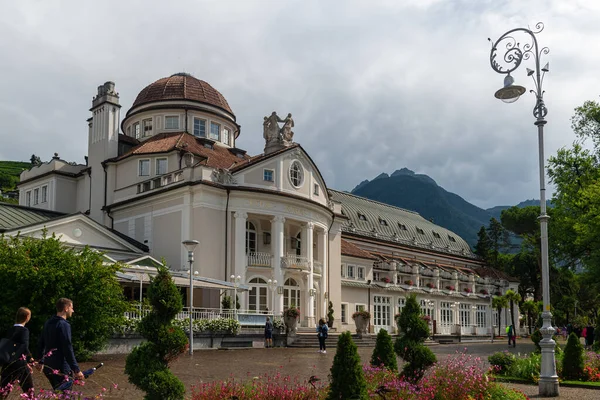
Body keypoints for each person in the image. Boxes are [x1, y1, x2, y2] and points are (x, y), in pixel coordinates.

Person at [38, 298, 84, 390]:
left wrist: (41, 360)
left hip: (48, 366)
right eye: (72, 308)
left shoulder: (48, 323)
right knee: (65, 394)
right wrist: (76, 369)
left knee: (58, 393)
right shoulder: (63, 325)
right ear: (66, 308)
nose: (73, 311)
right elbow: (67, 347)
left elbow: (40, 343)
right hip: (61, 366)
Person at [0, 307, 34, 396]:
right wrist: (30, 360)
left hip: (7, 364)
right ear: (27, 317)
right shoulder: (24, 331)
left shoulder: (10, 330)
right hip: (19, 364)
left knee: (3, 392)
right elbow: (24, 346)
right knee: (29, 391)